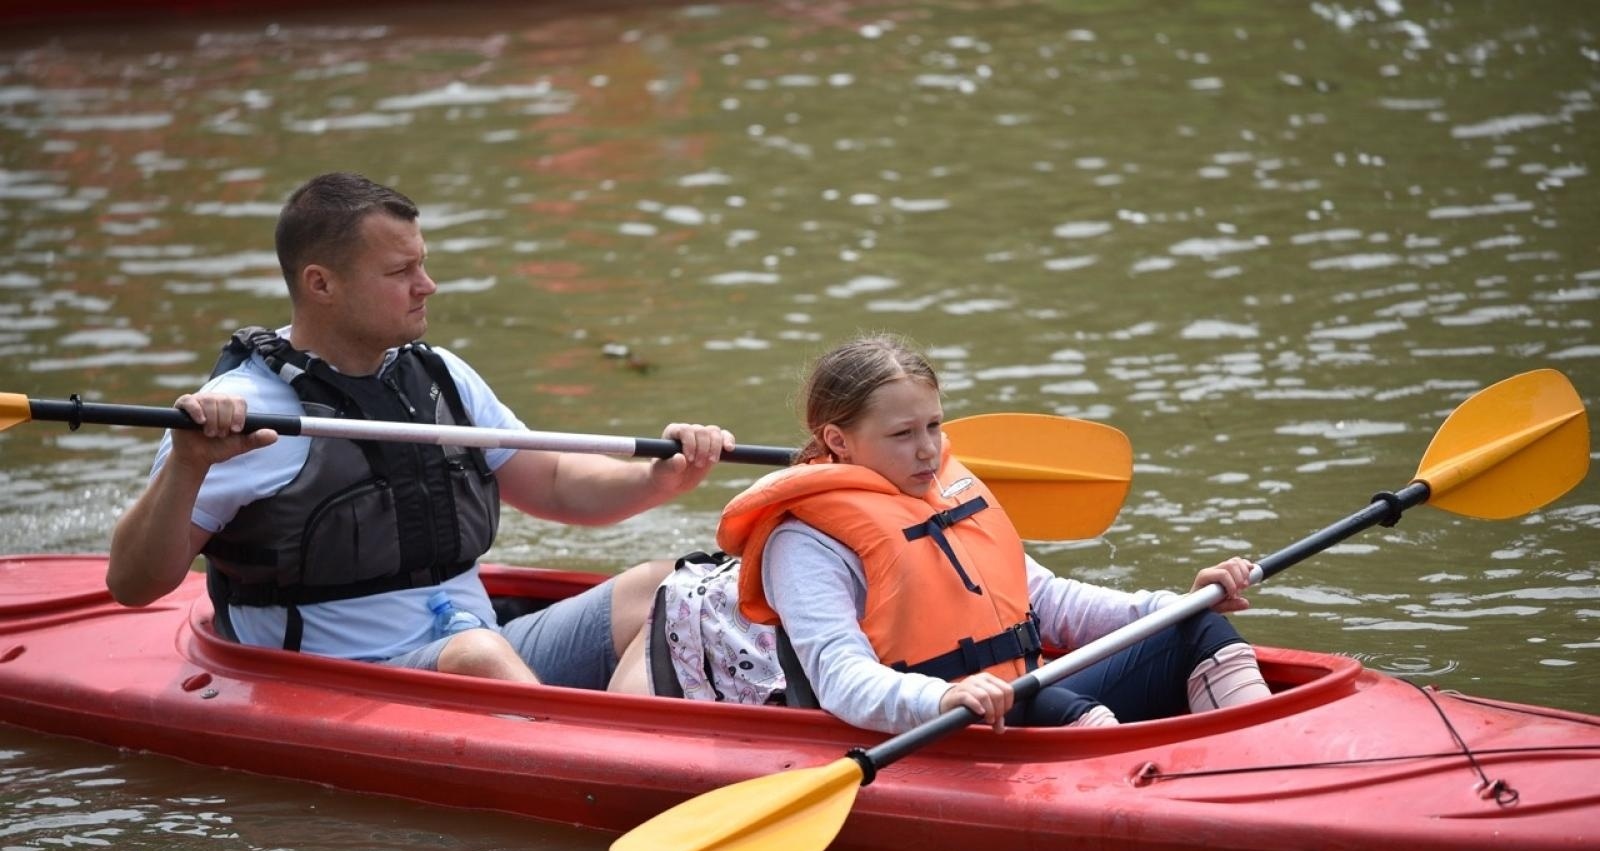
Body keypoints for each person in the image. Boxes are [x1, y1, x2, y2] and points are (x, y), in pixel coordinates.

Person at [105, 172, 731, 689]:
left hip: (479, 644)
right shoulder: (238, 411)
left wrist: (660, 477)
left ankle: (638, 745)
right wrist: (188, 466)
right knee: (477, 656)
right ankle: (604, 768)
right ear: (320, 283)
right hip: (339, 681)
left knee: (666, 589)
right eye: (401, 271)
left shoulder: (441, 377)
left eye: (423, 264)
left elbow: (558, 484)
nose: (426, 285)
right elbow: (134, 585)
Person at [667, 333, 1271, 732]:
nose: (929, 450)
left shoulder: (944, 492)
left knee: (1198, 630)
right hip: (944, 721)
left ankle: (1274, 767)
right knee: (1072, 716)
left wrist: (1176, 603)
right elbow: (840, 679)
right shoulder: (804, 543)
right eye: (903, 435)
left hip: (1017, 690)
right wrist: (940, 699)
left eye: (933, 425)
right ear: (836, 441)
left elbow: (1048, 602)